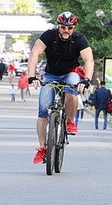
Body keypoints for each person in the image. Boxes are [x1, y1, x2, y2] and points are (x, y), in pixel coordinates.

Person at [27, 12, 94, 164]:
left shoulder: (79, 39)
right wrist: (32, 76)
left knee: (71, 90)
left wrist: (86, 80)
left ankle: (70, 120)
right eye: (63, 27)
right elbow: (34, 53)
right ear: (58, 26)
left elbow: (88, 59)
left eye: (70, 28)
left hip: (71, 72)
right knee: (43, 109)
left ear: (73, 29)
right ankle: (42, 148)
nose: (66, 31)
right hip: (51, 75)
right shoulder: (49, 36)